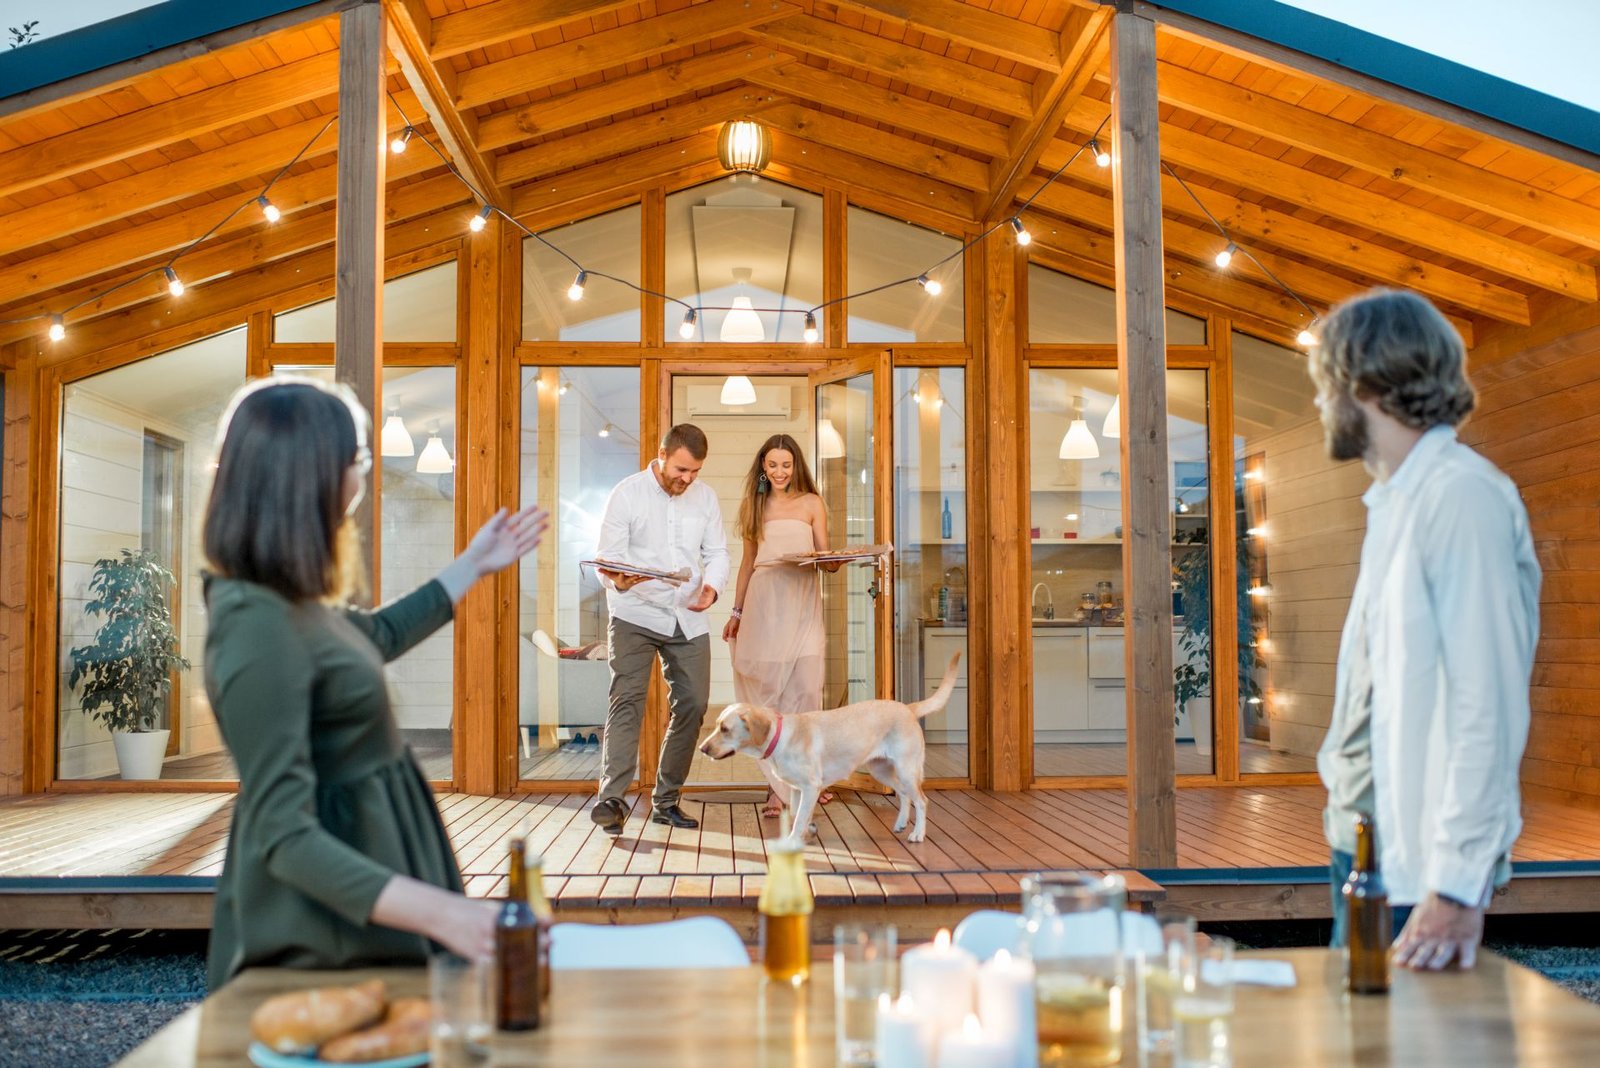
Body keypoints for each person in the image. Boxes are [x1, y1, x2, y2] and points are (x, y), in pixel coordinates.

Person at [201, 377, 548, 989]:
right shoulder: (255, 627)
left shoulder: (293, 604)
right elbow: (284, 836)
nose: (361, 477)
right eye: (356, 460)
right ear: (310, 476)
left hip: (367, 889)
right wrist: (448, 914)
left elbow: (377, 635)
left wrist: (474, 563)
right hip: (324, 931)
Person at [1311, 289, 1539, 971]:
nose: (1321, 404)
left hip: (1422, 867)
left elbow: (1487, 706)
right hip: (1367, 845)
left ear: (1365, 384)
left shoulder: (1459, 498)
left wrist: (1456, 882)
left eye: (1325, 385)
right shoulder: (1395, 502)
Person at [591, 424, 729, 836]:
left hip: (687, 615)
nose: (687, 479)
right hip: (634, 612)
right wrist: (618, 579)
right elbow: (608, 559)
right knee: (627, 700)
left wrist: (713, 587)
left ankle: (666, 801)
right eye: (682, 469)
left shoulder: (705, 498)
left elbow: (718, 551)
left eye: (695, 472)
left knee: (693, 704)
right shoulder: (626, 494)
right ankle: (612, 799)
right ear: (662, 453)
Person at [722, 434, 840, 818]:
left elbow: (825, 557)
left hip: (803, 604)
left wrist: (836, 561)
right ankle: (777, 789)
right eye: (772, 465)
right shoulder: (753, 506)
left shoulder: (811, 503)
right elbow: (747, 563)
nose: (779, 472)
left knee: (806, 691)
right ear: (762, 466)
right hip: (765, 603)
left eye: (786, 465)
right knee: (768, 697)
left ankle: (810, 778)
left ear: (796, 466)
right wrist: (736, 612)